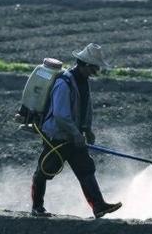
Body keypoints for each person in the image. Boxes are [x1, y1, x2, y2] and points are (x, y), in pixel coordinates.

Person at [31, 43, 122, 218]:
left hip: (74, 136)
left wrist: (87, 130)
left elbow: (85, 107)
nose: (96, 71)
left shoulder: (83, 82)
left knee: (85, 169)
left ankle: (99, 206)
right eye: (95, 67)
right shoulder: (63, 83)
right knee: (44, 170)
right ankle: (37, 207)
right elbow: (60, 114)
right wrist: (75, 134)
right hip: (57, 136)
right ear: (86, 65)